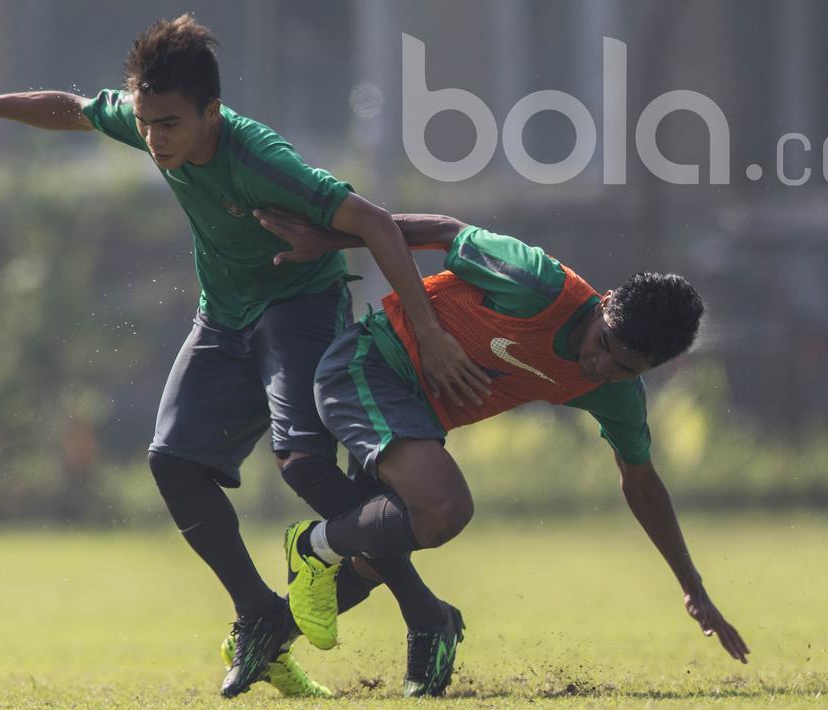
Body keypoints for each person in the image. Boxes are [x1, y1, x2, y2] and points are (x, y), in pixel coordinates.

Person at [0, 15, 490, 698]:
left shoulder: (260, 160)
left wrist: (426, 328)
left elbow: (374, 221)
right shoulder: (152, 120)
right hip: (225, 316)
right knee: (172, 461)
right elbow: (69, 110)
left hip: (300, 307)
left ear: (211, 112)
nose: (154, 139)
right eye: (146, 122)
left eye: (170, 125)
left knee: (305, 466)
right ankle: (261, 616)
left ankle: (426, 618)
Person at [254, 207, 751, 696]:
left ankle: (269, 640)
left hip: (414, 419)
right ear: (608, 302)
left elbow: (640, 480)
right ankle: (315, 546)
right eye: (604, 344)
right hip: (369, 362)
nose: (599, 366)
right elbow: (443, 231)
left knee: (385, 545)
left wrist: (692, 585)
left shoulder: (614, 394)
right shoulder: (536, 284)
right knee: (445, 507)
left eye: (624, 367)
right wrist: (329, 240)